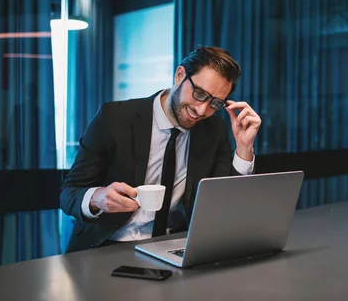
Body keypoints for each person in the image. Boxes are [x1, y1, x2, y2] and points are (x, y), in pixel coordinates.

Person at [60, 46, 262, 253]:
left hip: (175, 246)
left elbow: (225, 204)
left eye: (215, 103)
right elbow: (69, 193)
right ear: (180, 75)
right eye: (199, 93)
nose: (202, 110)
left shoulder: (213, 131)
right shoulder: (114, 118)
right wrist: (98, 198)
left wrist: (244, 148)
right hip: (106, 246)